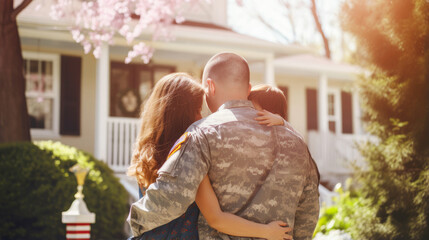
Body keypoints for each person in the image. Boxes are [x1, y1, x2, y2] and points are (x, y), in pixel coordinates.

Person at [128, 53, 320, 240]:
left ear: (210, 86)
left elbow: (173, 198)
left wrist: (135, 220)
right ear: (249, 88)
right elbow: (308, 211)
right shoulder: (297, 142)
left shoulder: (201, 134)